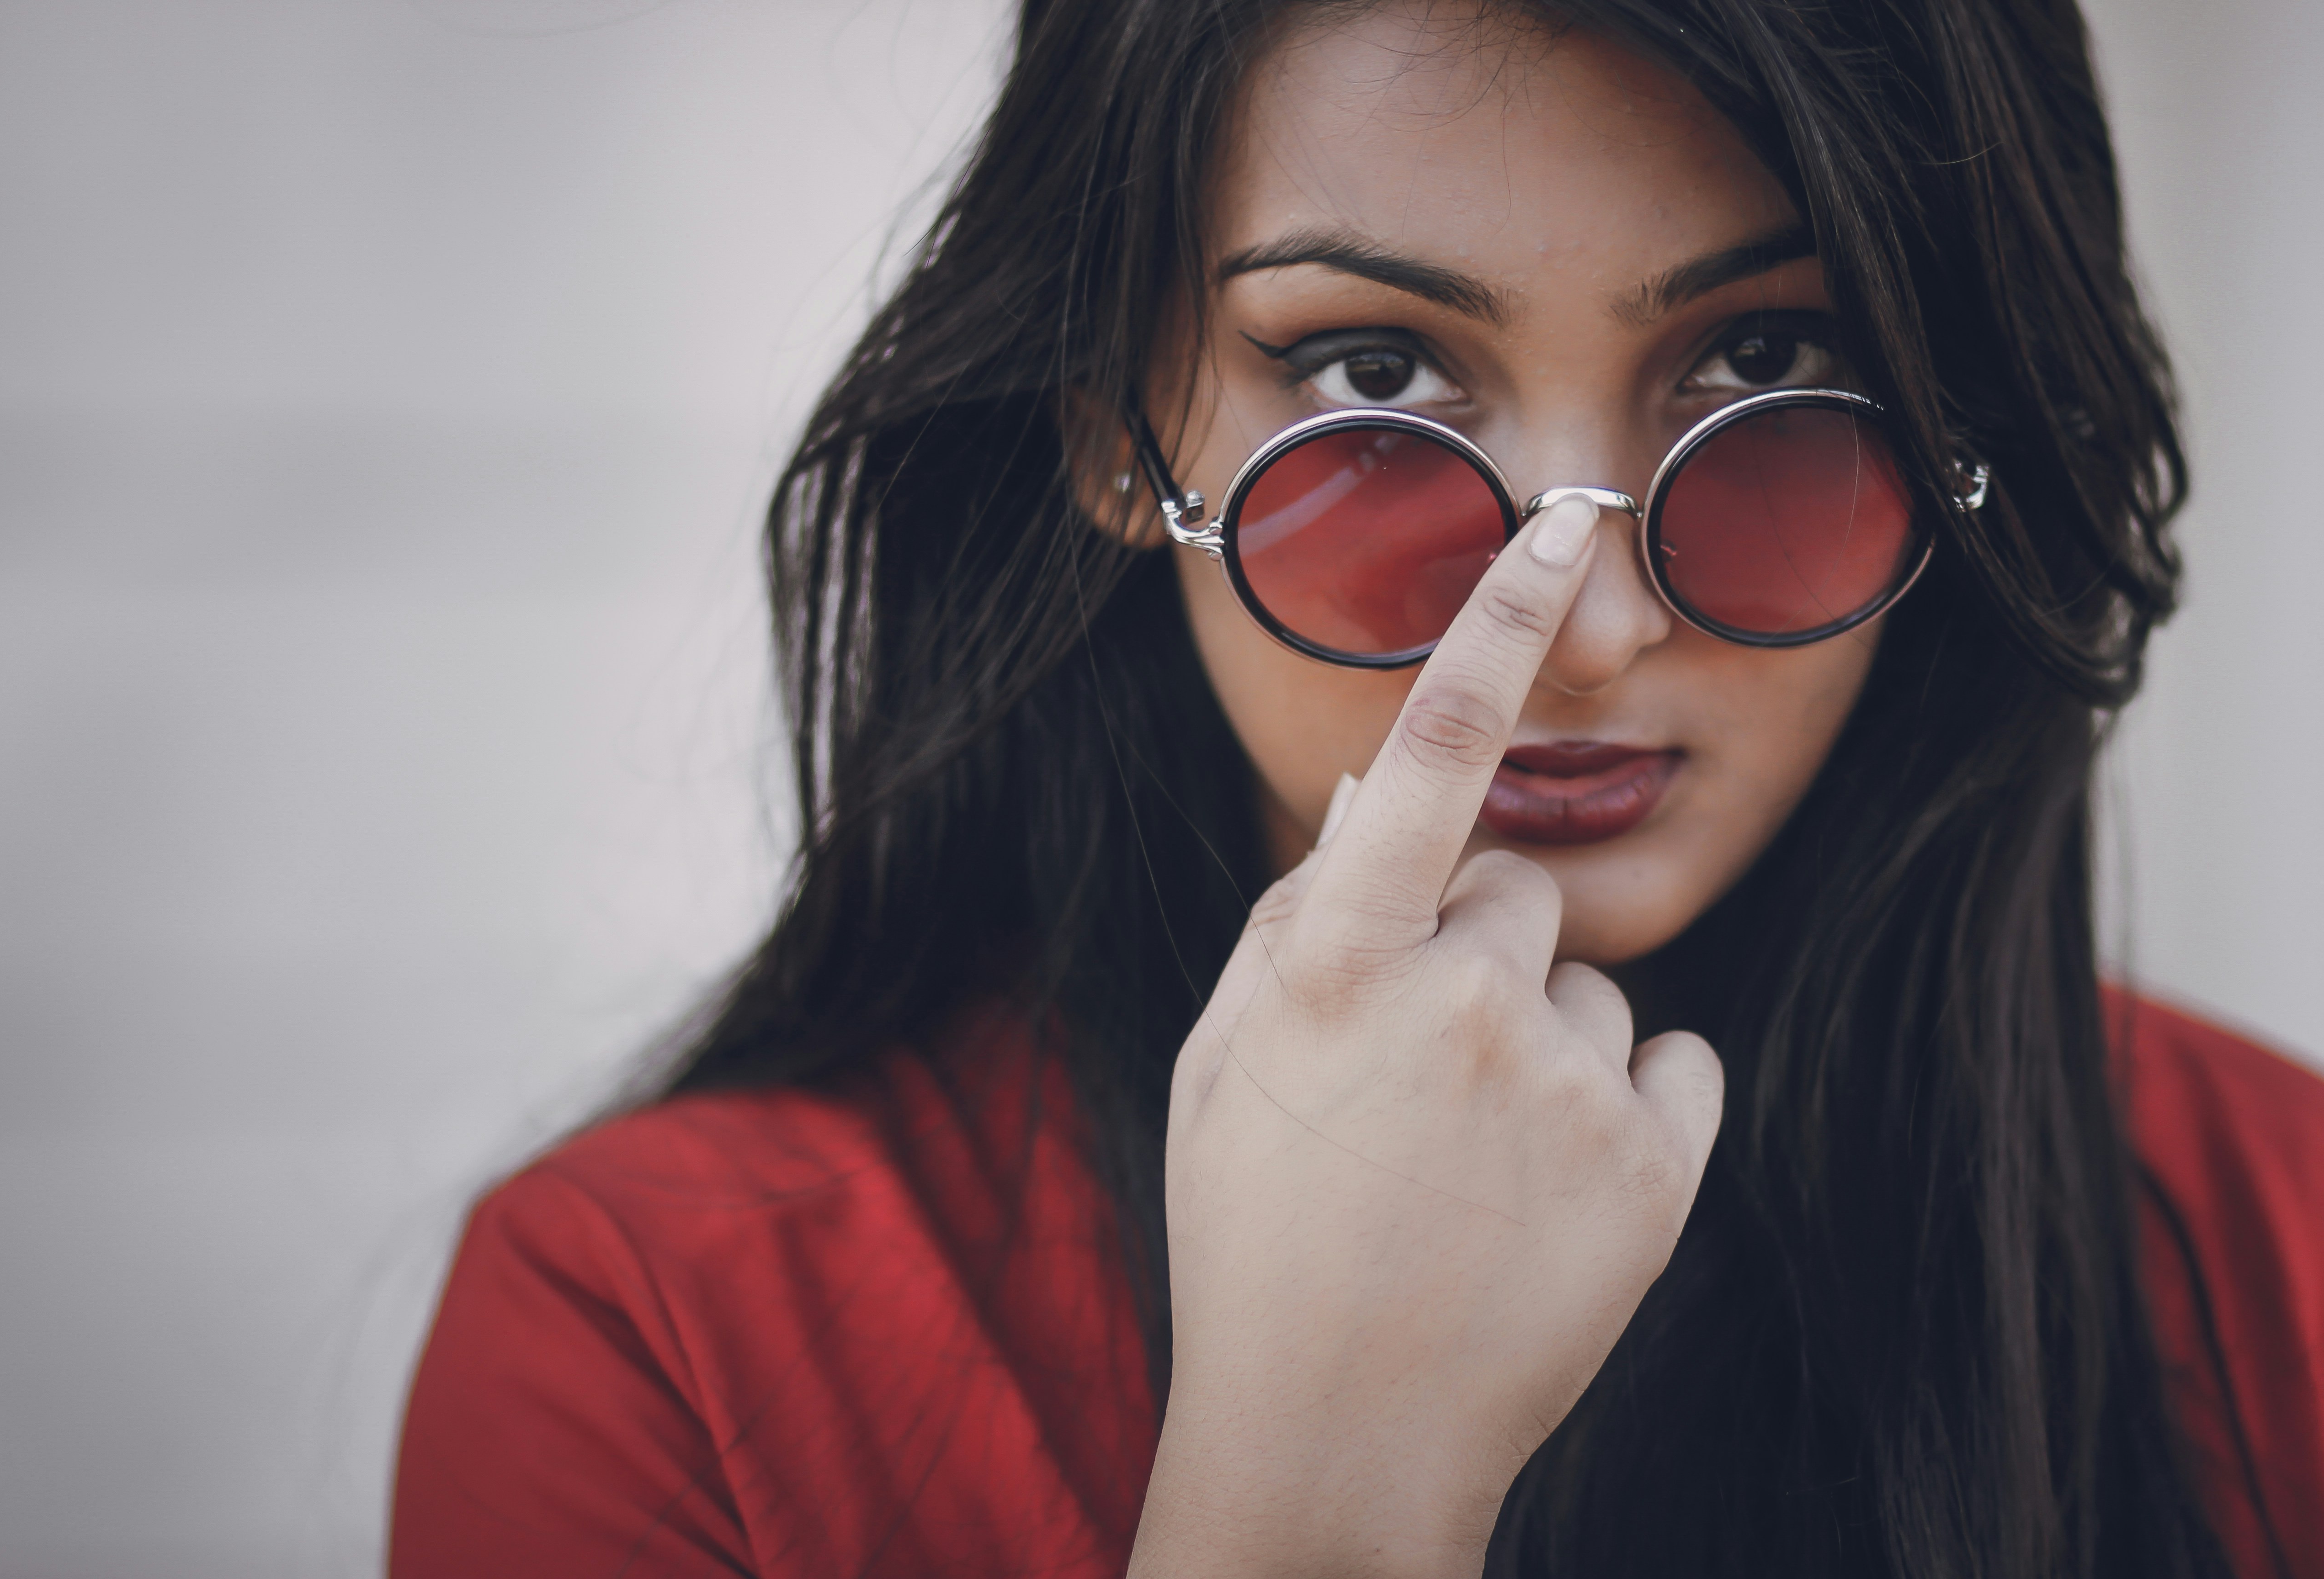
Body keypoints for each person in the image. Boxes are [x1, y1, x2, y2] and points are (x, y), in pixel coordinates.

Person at [388, 0, 2324, 1574]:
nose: (1584, 628)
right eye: (1376, 376)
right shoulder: (652, 1339)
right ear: (1112, 433)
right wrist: (1311, 1507)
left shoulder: (2292, 1237)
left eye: (1768, 358)